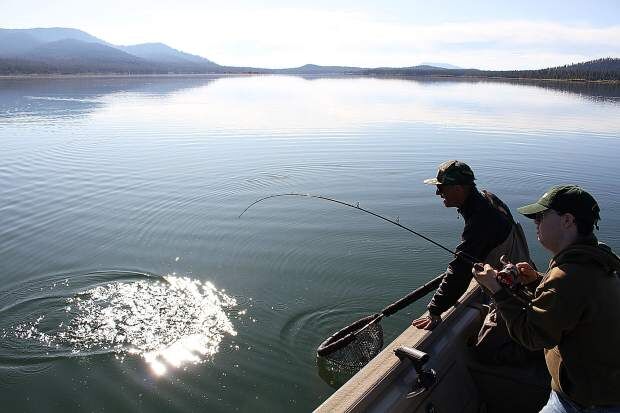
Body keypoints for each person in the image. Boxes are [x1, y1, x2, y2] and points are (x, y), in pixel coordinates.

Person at [473, 185, 620, 412]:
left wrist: (496, 290)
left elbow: (532, 336)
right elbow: (575, 302)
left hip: (582, 404)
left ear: (567, 220)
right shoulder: (599, 259)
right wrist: (535, 281)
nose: (535, 223)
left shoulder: (568, 276)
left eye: (540, 217)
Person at [412, 160, 532, 332]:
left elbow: (460, 269)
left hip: (514, 294)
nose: (438, 192)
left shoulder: (481, 221)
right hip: (518, 276)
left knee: (487, 351)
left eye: (441, 187)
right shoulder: (487, 198)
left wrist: (435, 310)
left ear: (458, 189)